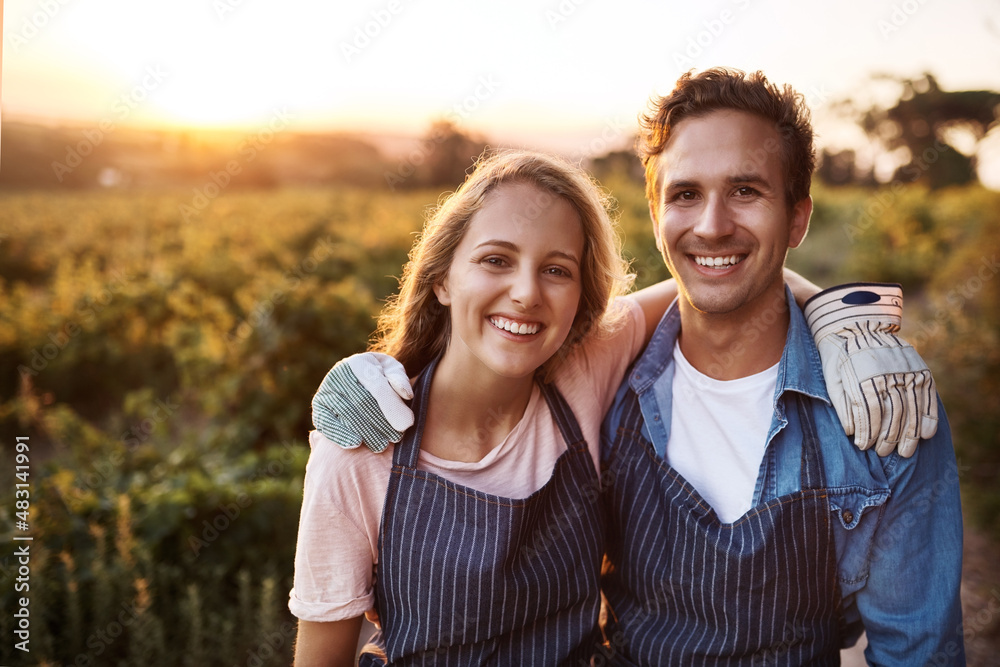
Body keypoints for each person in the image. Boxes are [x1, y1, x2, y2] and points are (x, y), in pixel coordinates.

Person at [597, 68, 963, 664]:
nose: (712, 226)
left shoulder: (885, 407)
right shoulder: (603, 385)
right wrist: (387, 379)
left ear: (798, 219)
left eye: (746, 191)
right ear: (656, 214)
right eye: (685, 194)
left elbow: (919, 653)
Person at [290, 149, 682, 665]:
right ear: (443, 279)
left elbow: (711, 284)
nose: (526, 293)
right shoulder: (362, 445)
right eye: (496, 259)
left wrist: (823, 314)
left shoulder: (582, 370)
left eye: (557, 270)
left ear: (582, 298)